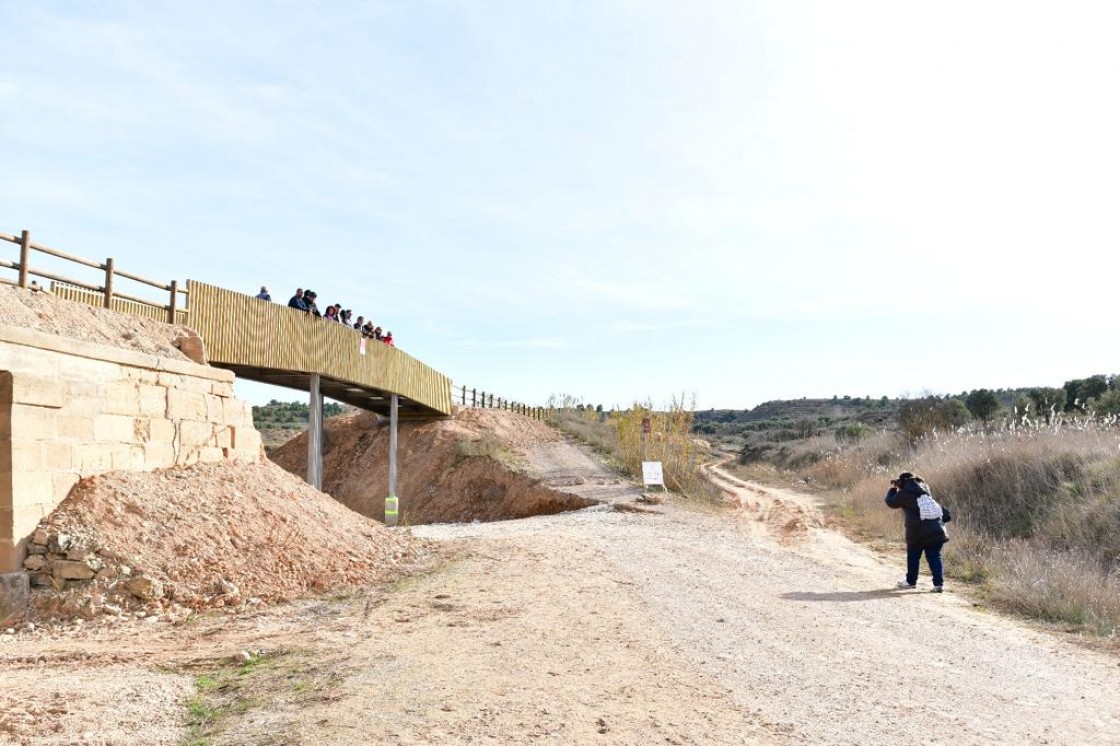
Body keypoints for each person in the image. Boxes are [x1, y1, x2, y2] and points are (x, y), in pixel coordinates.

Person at [885, 472, 951, 592]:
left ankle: (911, 582)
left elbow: (891, 502)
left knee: (913, 556)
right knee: (935, 556)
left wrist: (893, 489)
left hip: (917, 532)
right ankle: (938, 585)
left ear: (902, 482)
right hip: (937, 530)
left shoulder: (905, 493)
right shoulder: (925, 489)